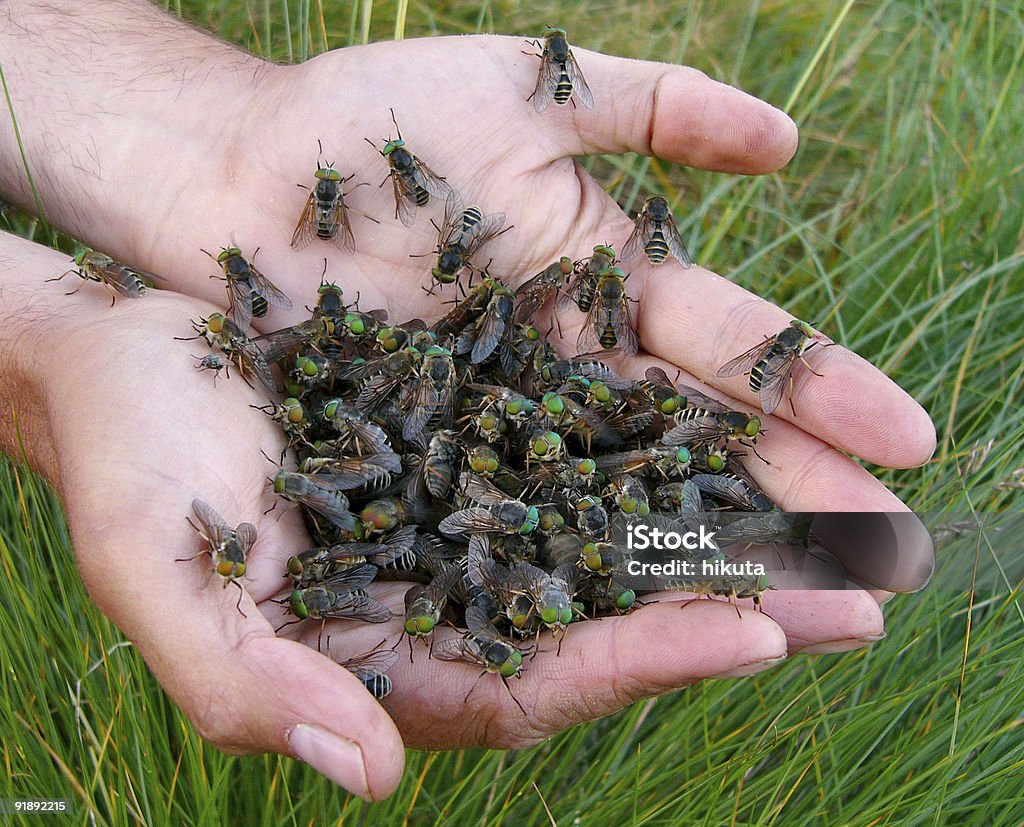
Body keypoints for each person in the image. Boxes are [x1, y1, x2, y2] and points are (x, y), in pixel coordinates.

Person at [0, 1, 935, 801]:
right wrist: (49, 348)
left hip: (497, 481)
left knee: (749, 543)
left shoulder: (530, 435)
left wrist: (219, 128)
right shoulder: (410, 433)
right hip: (428, 481)